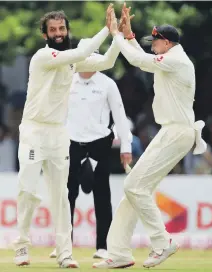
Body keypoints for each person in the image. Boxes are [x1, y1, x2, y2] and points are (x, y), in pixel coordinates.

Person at [93, 6, 207, 269]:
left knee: (135, 187)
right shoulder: (169, 59)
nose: (152, 46)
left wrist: (115, 35)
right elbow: (142, 56)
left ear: (166, 43)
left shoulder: (176, 61)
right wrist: (129, 35)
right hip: (172, 131)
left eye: (154, 42)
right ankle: (119, 254)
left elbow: (138, 61)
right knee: (133, 189)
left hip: (178, 131)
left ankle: (162, 242)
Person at [13, 5, 122, 268]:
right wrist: (107, 28)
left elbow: (106, 61)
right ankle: (21, 246)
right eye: (53, 30)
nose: (59, 33)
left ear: (67, 30)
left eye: (62, 29)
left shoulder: (73, 60)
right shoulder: (43, 56)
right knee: (27, 189)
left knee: (61, 194)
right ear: (45, 35)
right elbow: (84, 51)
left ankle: (64, 253)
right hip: (34, 130)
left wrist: (119, 36)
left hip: (58, 133)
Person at [49, 45, 132, 259]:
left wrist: (126, 147)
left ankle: (104, 247)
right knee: (67, 195)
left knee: (102, 195)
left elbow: (120, 117)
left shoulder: (107, 84)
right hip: (71, 143)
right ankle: (64, 245)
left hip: (99, 144)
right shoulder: (67, 81)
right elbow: (57, 114)